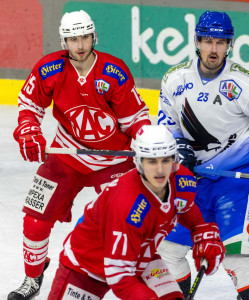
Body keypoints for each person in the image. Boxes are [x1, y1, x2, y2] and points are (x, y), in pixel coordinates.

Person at [157, 10, 249, 299]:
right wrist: (175, 145)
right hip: (190, 181)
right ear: (197, 41)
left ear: (230, 44)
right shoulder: (174, 79)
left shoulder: (248, 83)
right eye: (208, 41)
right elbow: (167, 122)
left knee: (239, 264)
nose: (213, 49)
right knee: (167, 253)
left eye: (221, 42)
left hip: (239, 183)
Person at [9, 10, 151, 299]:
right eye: (73, 38)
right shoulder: (49, 69)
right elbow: (28, 105)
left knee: (124, 222)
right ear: (64, 41)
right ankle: (32, 278)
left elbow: (136, 118)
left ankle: (134, 279)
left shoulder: (114, 71)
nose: (80, 44)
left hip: (114, 161)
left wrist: (146, 142)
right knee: (35, 217)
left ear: (94, 36)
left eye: (85, 36)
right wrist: (27, 129)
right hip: (67, 154)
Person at [47, 125, 225, 299]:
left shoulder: (181, 179)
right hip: (87, 265)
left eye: (165, 160)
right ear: (139, 162)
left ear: (175, 160)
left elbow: (183, 206)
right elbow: (120, 278)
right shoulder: (126, 205)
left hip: (141, 255)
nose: (160, 170)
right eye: (151, 161)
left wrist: (201, 231)